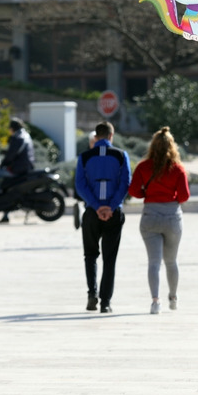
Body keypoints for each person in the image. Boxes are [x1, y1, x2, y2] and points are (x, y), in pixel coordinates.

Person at [128, 127, 190, 315]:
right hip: (172, 217)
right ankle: (173, 297)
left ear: (152, 146)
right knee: (171, 261)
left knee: (153, 262)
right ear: (172, 146)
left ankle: (155, 302)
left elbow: (133, 191)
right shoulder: (178, 168)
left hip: (150, 216)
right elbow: (185, 195)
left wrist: (146, 193)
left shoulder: (143, 167)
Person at [75, 121, 131, 314]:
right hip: (114, 213)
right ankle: (105, 302)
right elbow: (125, 184)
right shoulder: (121, 156)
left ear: (96, 137)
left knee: (90, 255)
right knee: (110, 258)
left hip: (92, 212)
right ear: (111, 135)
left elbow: (80, 186)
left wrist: (97, 207)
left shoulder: (84, 157)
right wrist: (110, 206)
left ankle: (92, 294)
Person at [0, 117, 36, 224]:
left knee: (4, 184)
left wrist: (3, 164)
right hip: (27, 166)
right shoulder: (25, 135)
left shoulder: (17, 137)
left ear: (12, 128)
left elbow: (11, 155)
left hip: (19, 167)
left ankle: (5, 211)